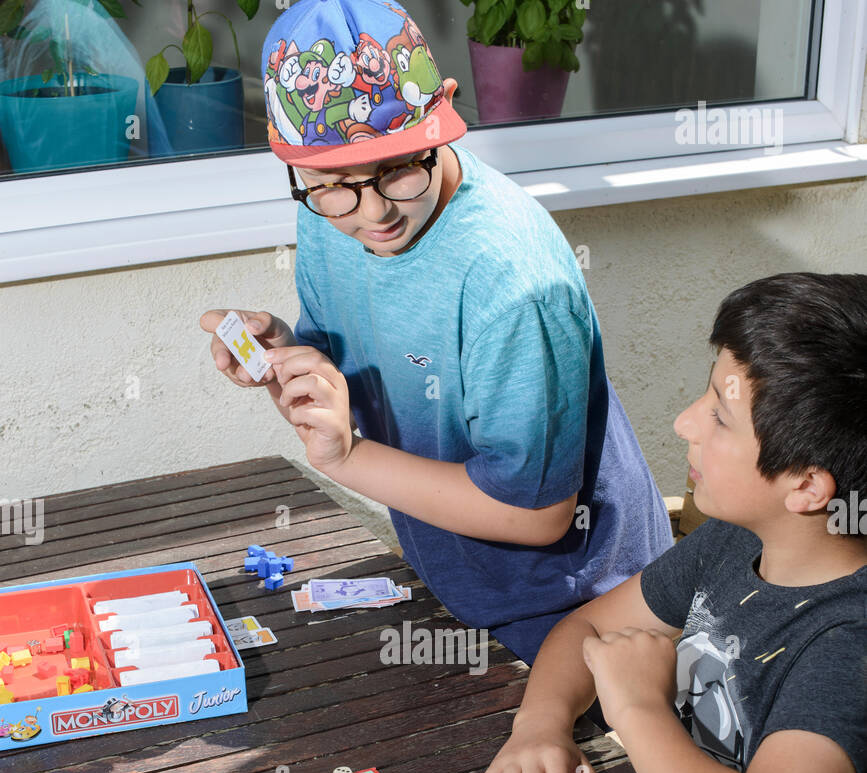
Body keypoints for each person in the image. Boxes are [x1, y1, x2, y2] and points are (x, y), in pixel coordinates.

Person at [201, 0, 673, 667]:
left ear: (444, 111)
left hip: (575, 616)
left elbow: (536, 516)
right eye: (334, 187)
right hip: (446, 583)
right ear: (295, 164)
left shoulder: (514, 284)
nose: (372, 213)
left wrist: (347, 459)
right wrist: (285, 351)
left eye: (397, 169)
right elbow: (354, 353)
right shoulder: (326, 202)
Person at [480, 273, 867, 773]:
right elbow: (588, 628)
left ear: (806, 486)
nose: (683, 422)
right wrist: (539, 725)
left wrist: (637, 707)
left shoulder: (847, 643)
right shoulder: (740, 537)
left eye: (720, 416)